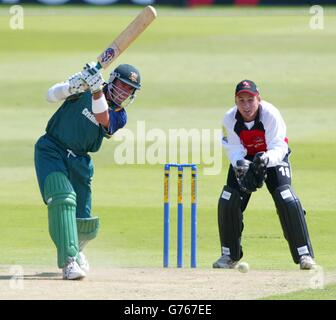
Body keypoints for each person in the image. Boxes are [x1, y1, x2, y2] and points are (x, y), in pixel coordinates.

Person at [34, 62, 141, 280]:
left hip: (80, 161)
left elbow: (103, 119)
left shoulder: (120, 115)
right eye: (123, 85)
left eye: (130, 89)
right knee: (63, 198)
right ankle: (69, 262)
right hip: (52, 149)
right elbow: (49, 95)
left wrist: (95, 90)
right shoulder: (86, 86)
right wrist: (70, 87)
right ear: (112, 80)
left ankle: (77, 249)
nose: (124, 92)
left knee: (84, 225)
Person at [213, 80, 316, 270]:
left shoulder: (270, 114)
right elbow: (233, 148)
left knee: (286, 198)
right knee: (229, 199)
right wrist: (242, 165)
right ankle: (229, 256)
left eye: (250, 100)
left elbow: (279, 146)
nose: (246, 105)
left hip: (272, 157)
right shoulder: (229, 119)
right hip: (245, 159)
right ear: (235, 101)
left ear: (258, 99)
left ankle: (304, 255)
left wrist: (265, 160)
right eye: (241, 100)